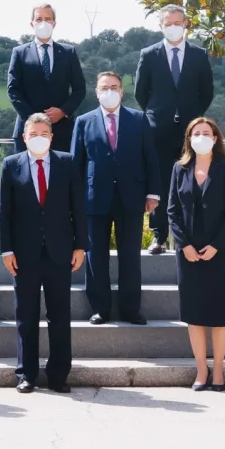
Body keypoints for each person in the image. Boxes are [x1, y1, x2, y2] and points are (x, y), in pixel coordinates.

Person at [0, 113, 86, 394]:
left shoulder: (67, 163)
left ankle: (59, 375)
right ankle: (27, 374)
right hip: (24, 254)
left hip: (60, 252)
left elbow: (78, 207)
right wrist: (6, 250)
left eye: (44, 133)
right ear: (24, 137)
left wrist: (81, 246)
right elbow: (4, 212)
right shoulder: (11, 165)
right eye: (33, 134)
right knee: (26, 315)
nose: (39, 138)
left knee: (59, 316)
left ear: (52, 137)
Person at [71, 71, 159, 325]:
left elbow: (150, 157)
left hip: (131, 196)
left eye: (114, 87)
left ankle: (131, 310)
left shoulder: (139, 119)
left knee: (130, 256)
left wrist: (153, 193)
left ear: (121, 91)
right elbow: (76, 164)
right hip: (94, 198)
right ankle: (100, 308)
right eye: (104, 87)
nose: (109, 91)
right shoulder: (83, 122)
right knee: (95, 256)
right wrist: (74, 201)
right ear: (96, 92)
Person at [167, 116, 225, 391]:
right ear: (189, 138)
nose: (201, 136)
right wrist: (184, 245)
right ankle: (201, 370)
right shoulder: (179, 168)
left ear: (215, 138)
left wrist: (216, 246)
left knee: (219, 313)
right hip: (188, 252)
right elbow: (172, 211)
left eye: (206, 132)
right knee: (194, 313)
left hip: (218, 251)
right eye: (195, 132)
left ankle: (219, 370)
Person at [134, 4, 215, 255]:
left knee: (191, 180)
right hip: (158, 129)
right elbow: (140, 92)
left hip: (191, 131)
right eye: (168, 24)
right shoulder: (149, 54)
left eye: (177, 23)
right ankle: (158, 236)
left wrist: (192, 116)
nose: (173, 27)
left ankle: (190, 236)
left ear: (186, 24)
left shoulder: (199, 54)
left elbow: (207, 92)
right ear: (161, 26)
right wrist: (158, 114)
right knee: (158, 180)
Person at [6, 4, 87, 153]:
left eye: (48, 19)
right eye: (39, 19)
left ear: (54, 23)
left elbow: (79, 89)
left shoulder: (68, 52)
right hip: (28, 130)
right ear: (32, 23)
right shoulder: (19, 53)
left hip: (62, 131)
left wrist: (63, 111)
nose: (43, 23)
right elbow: (13, 90)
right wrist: (34, 118)